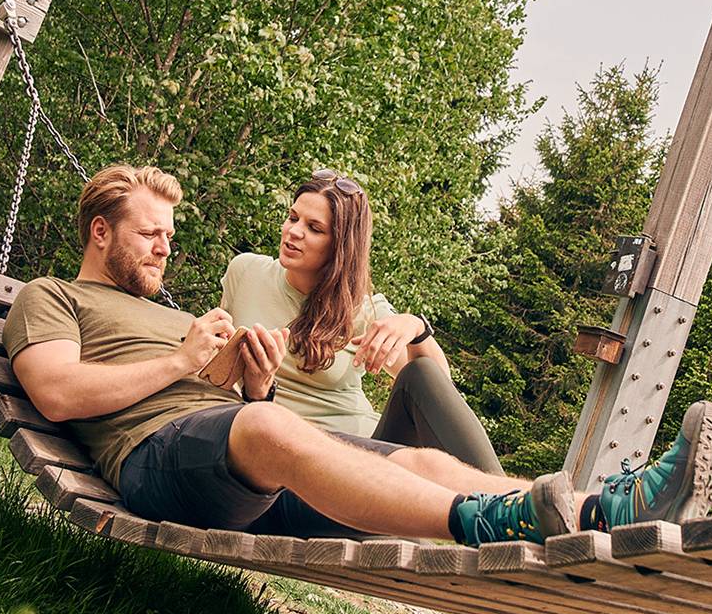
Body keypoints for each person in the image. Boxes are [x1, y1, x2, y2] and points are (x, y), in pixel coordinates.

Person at [4, 163, 712, 545]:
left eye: (169, 233)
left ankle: (606, 509)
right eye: (148, 235)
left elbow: (239, 418)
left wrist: (251, 387)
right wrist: (184, 362)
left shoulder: (167, 312)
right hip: (151, 462)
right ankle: (490, 524)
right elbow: (58, 394)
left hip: (236, 464)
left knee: (417, 463)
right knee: (266, 429)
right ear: (100, 233)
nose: (166, 246)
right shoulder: (52, 296)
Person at [208, 168, 500, 475]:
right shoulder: (245, 272)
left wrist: (416, 328)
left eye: (314, 228)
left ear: (340, 245)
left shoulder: (362, 309)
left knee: (421, 371)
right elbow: (218, 360)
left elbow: (436, 388)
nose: (293, 232)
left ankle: (508, 499)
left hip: (366, 452)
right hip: (289, 453)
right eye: (293, 218)